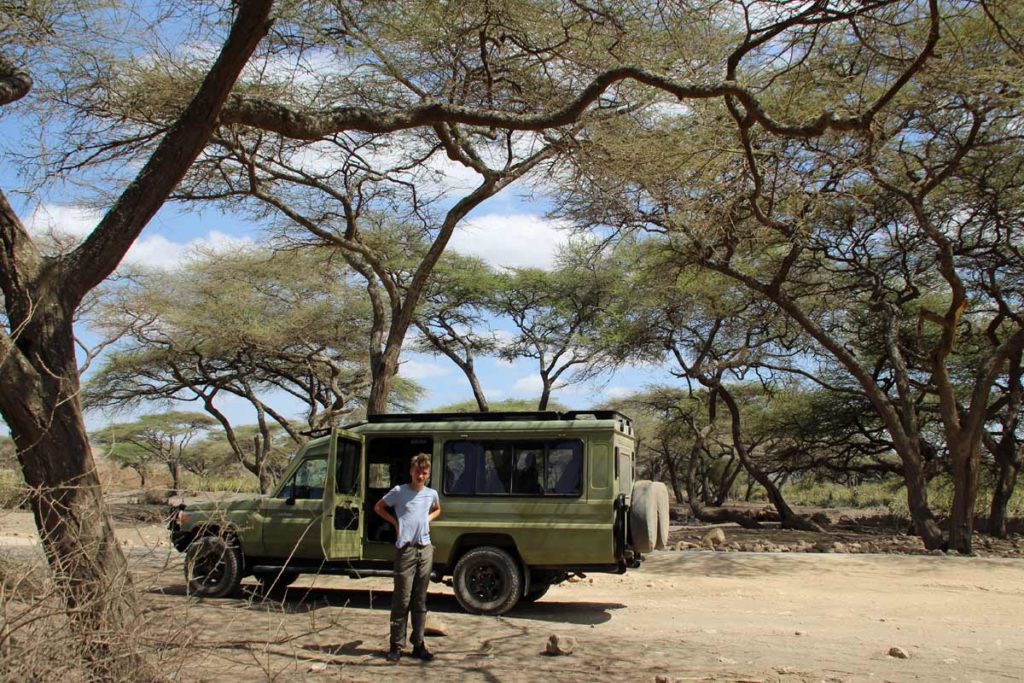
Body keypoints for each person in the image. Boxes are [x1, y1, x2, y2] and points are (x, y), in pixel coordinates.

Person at [373, 453, 442, 663]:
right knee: (401, 599)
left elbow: (438, 509)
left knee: (420, 600)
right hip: (406, 551)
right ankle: (396, 645)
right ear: (411, 471)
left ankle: (418, 644)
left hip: (425, 549)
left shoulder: (431, 494)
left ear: (428, 474)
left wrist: (427, 519)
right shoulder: (399, 492)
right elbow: (379, 507)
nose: (421, 475)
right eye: (418, 471)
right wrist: (396, 524)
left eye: (425, 472)